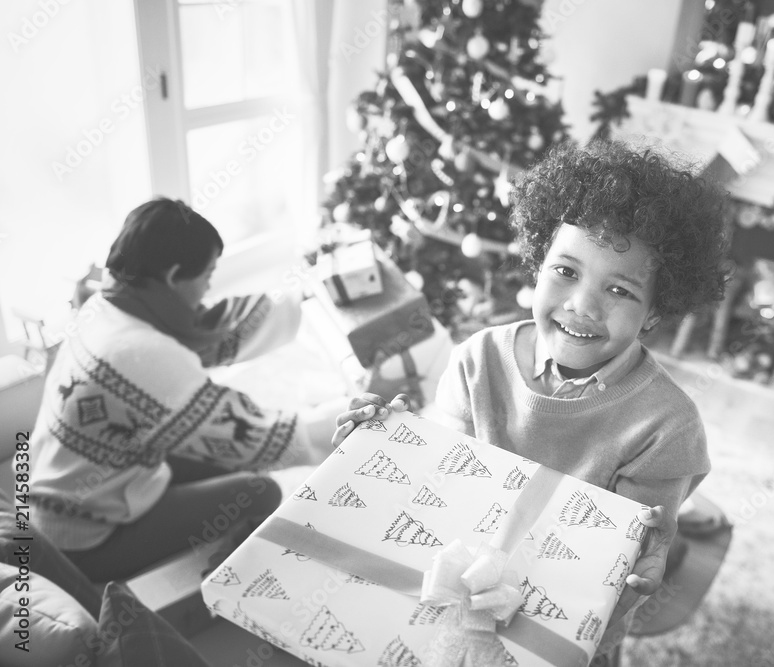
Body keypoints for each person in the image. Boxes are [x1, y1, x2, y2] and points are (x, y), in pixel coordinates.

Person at [333, 140, 730, 657]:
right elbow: (437, 487)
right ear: (538, 263)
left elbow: (612, 572)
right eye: (566, 272)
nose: (582, 306)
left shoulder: (668, 426)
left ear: (656, 311)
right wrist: (386, 449)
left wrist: (644, 558)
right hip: (448, 606)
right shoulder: (476, 359)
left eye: (621, 291)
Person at [27, 198, 345, 582]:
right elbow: (261, 437)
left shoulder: (105, 305)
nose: (209, 286)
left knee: (224, 458)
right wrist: (343, 422)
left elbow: (208, 328)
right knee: (259, 490)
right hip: (84, 537)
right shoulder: (143, 354)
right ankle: (244, 583)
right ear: (174, 274)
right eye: (208, 275)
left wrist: (304, 295)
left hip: (66, 492)